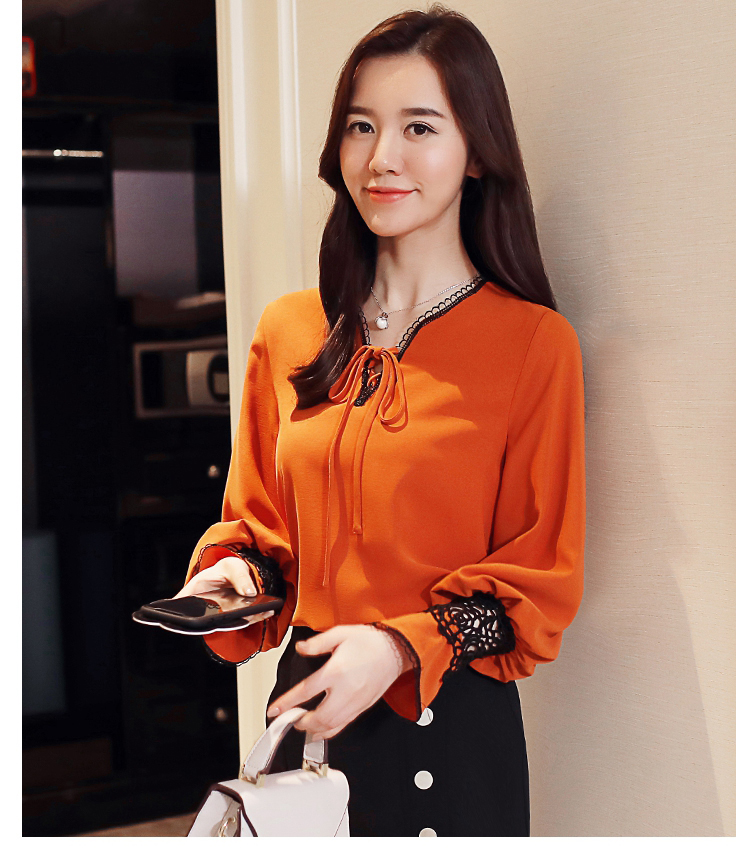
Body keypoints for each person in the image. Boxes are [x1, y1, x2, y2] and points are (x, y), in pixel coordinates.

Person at [176, 5, 586, 837]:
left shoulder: (533, 344)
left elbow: (537, 588)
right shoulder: (289, 330)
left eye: (419, 127)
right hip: (308, 722)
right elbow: (260, 531)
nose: (381, 157)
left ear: (477, 152)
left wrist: (397, 648)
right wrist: (235, 579)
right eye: (361, 126)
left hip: (452, 733)